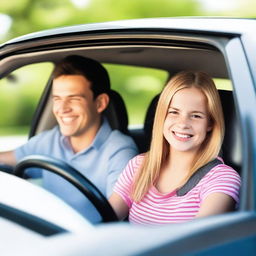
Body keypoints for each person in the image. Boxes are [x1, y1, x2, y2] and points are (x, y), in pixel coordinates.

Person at [0, 55, 138, 223]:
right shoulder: (50, 140)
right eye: (57, 99)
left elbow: (114, 216)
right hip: (45, 231)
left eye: (74, 99)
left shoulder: (120, 150)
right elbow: (6, 160)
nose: (62, 109)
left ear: (100, 103)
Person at [109, 71, 241, 226]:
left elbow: (198, 241)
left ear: (210, 123)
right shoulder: (138, 166)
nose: (183, 123)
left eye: (196, 116)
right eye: (173, 112)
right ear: (162, 117)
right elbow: (105, 221)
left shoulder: (222, 178)